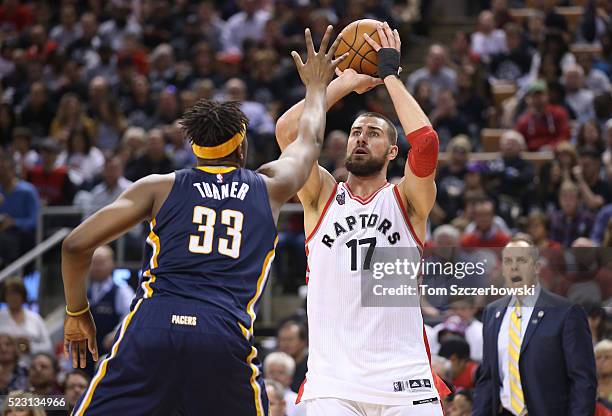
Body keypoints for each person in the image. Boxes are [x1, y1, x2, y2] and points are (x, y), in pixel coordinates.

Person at [61, 26, 346, 416]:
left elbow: (75, 245)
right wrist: (316, 87)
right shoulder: (270, 187)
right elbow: (309, 140)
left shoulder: (159, 187)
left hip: (153, 326)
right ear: (243, 145)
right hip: (222, 332)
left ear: (194, 148)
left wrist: (77, 315)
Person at [275, 21, 448, 415]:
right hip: (334, 381)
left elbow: (426, 143)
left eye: (372, 133)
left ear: (391, 152)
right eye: (355, 131)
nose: (360, 138)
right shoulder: (320, 196)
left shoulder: (406, 200)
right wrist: (345, 82)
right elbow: (287, 133)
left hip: (406, 378)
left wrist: (388, 76)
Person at [473, 235, 597, 416]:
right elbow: (487, 379)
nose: (514, 266)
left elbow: (583, 380)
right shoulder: (492, 312)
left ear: (537, 267)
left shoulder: (567, 312)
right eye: (508, 261)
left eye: (521, 260)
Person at [86, 246, 135, 360]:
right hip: (86, 352)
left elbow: (131, 315)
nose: (97, 267)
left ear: (112, 264)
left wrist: (116, 333)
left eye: (101, 263)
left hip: (109, 351)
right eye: (94, 263)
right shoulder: (84, 292)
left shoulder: (122, 291)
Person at [0, 278, 52, 355]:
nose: (13, 298)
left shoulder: (35, 318)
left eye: (17, 294)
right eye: (10, 294)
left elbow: (48, 346)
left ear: (23, 295)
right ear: (4, 296)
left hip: (32, 364)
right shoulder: (1, 317)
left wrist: (31, 347)